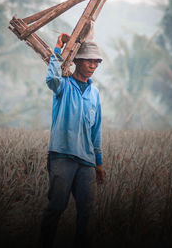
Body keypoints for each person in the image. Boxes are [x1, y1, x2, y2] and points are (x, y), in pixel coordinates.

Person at [40, 26, 105, 248]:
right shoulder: (63, 85)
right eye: (89, 61)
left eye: (96, 62)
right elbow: (51, 78)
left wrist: (99, 163)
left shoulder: (94, 93)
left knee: (87, 211)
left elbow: (96, 129)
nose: (93, 65)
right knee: (56, 207)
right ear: (77, 61)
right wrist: (58, 49)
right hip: (62, 156)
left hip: (86, 161)